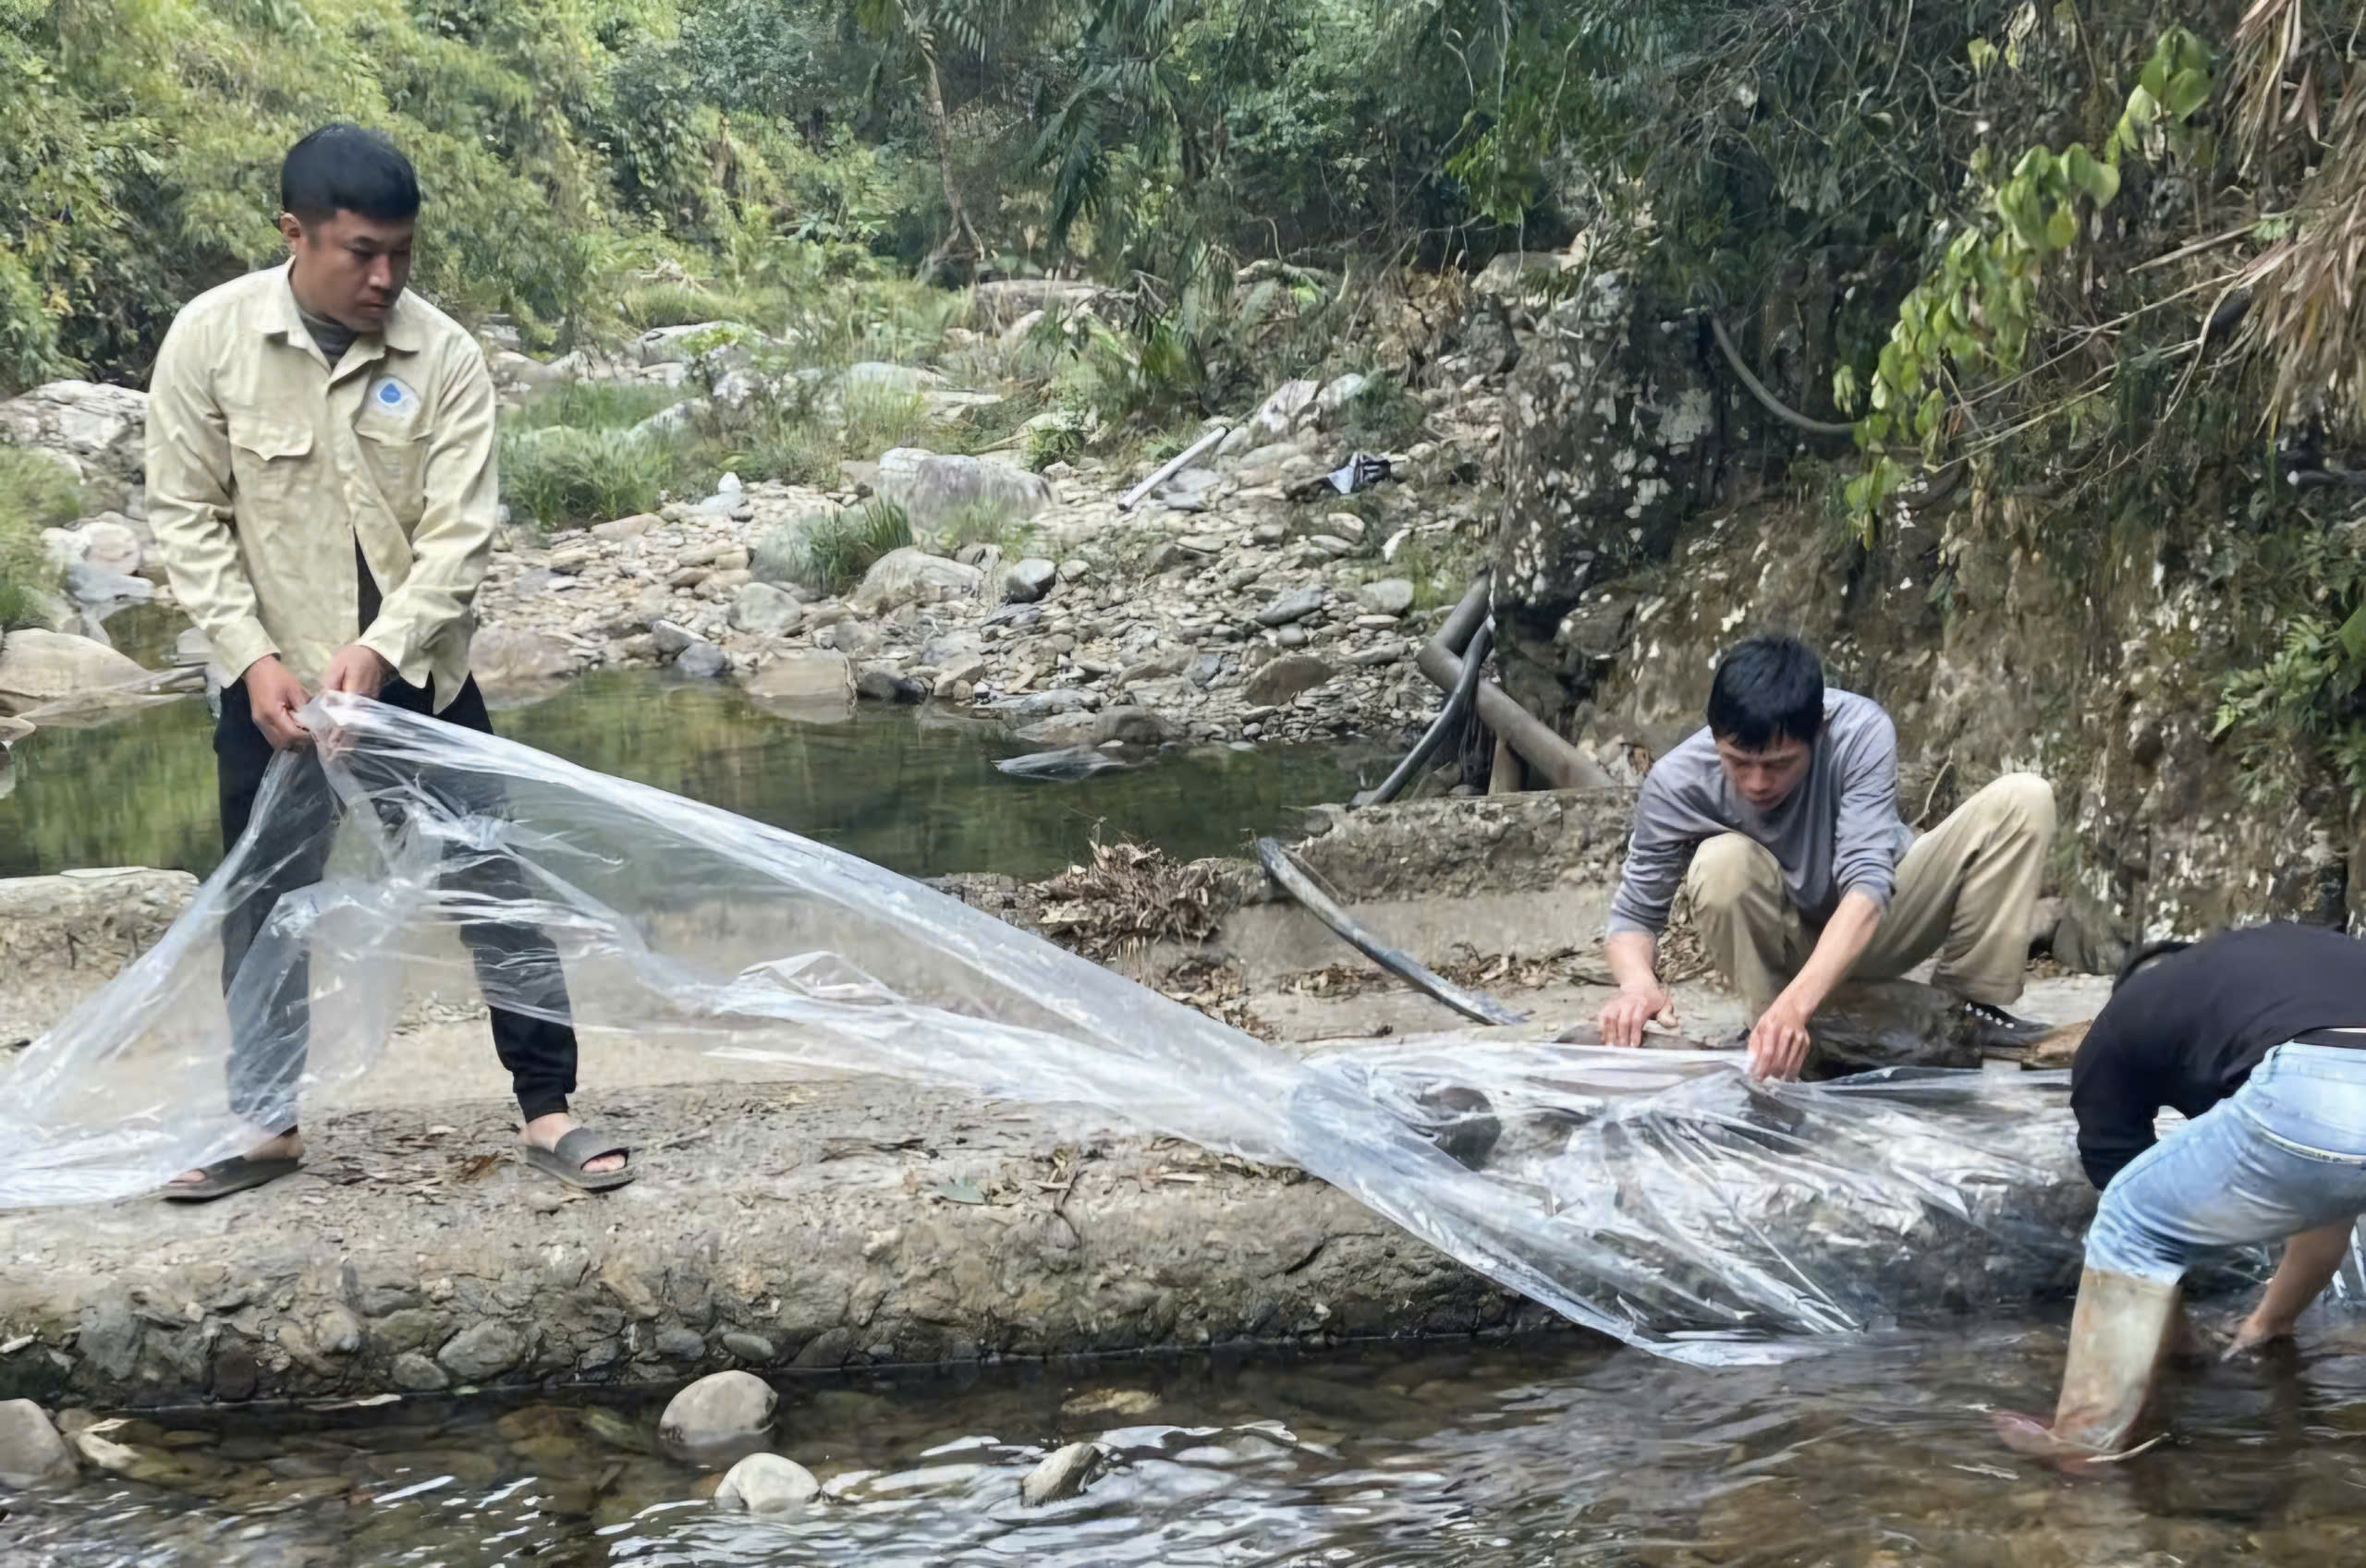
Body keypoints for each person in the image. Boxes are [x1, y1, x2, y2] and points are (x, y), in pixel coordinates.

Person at [144, 124, 632, 1197]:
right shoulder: (210, 340)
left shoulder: (443, 355)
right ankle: (267, 1126)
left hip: (419, 681)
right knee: (266, 903)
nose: (385, 276)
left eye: (401, 253)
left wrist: (378, 651)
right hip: (271, 690)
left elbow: (462, 533)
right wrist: (252, 657)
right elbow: (186, 519)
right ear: (294, 233)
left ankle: (547, 1107)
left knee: (491, 883)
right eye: (361, 251)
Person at [1595, 634, 2055, 1078]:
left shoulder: (1859, 730)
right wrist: (1637, 985)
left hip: (1880, 920)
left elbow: (1868, 881)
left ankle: (1962, 1016)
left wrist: (1800, 1004)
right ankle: (1772, 1031)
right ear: (1714, 736)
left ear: (1817, 733)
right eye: (1738, 762)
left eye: (1778, 764)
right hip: (1787, 943)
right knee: (1720, 862)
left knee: (2024, 799)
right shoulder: (1677, 782)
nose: (1757, 782)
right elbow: (1635, 915)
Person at [1994, 923, 2366, 1464]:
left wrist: (2175, 1345)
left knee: (2128, 1218)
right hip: (2332, 1077)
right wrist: (2267, 1324)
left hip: (2319, 1083)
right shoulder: (2268, 975)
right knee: (2326, 1169)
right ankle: (2270, 1328)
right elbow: (2324, 1186)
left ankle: (2083, 1443)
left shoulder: (2120, 1026)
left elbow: (2131, 1209)